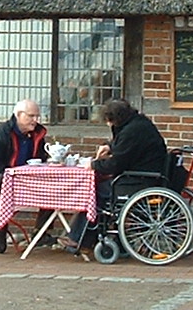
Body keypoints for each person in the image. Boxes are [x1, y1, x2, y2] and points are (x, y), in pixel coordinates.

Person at [63, 98, 171, 252]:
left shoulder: (131, 131)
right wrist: (109, 146)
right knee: (101, 188)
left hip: (139, 180)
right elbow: (123, 146)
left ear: (117, 118)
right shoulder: (138, 124)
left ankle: (79, 239)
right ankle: (88, 238)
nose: (108, 124)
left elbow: (117, 163)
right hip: (147, 174)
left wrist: (93, 165)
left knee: (94, 191)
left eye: (110, 120)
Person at [0, 99, 50, 252]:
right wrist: (13, 175)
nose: (35, 120)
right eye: (31, 116)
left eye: (37, 116)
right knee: (0, 182)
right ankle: (0, 229)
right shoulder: (0, 134)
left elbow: (41, 157)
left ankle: (41, 232)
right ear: (19, 115)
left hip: (27, 179)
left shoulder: (38, 134)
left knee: (54, 184)